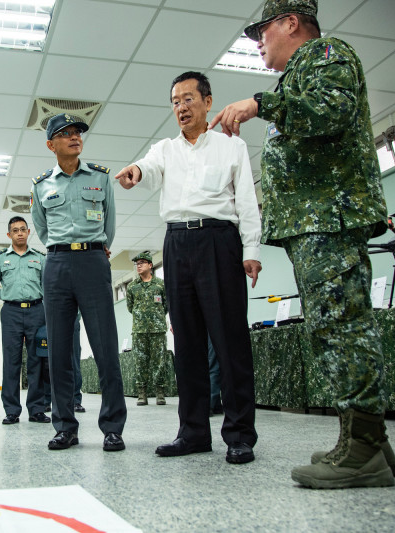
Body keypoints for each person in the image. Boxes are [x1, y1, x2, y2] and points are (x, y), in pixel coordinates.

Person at [209, 0, 395, 488]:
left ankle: (364, 450)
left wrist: (260, 104)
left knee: (340, 328)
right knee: (333, 329)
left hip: (329, 220)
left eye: (262, 31)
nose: (259, 42)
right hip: (315, 223)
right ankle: (366, 439)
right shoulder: (297, 74)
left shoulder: (327, 53)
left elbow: (331, 112)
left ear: (291, 23)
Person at [114, 71, 262, 464]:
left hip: (219, 242)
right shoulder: (165, 149)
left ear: (208, 101)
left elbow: (246, 200)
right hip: (176, 245)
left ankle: (239, 434)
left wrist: (252, 248)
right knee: (188, 345)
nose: (181, 106)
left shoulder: (232, 147)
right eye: (175, 101)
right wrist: (135, 172)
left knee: (230, 342)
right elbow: (146, 167)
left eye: (188, 98)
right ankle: (194, 431)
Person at [31, 113, 127, 452]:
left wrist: (94, 250)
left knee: (105, 349)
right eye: (66, 133)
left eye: (78, 133)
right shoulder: (41, 184)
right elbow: (41, 229)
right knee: (58, 352)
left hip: (92, 262)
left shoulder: (100, 179)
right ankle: (65, 427)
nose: (75, 137)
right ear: (51, 144)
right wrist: (61, 251)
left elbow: (110, 224)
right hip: (56, 264)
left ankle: (113, 427)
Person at [0, 216, 49, 425]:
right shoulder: (1, 259)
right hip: (11, 313)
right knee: (11, 362)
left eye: (23, 229)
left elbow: (48, 287)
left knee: (36, 362)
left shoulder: (40, 259)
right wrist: (7, 296)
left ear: (28, 232)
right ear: (9, 235)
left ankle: (37, 409)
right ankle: (11, 411)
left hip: (37, 312)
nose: (19, 233)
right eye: (15, 230)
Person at [125, 251, 168, 406]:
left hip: (158, 330)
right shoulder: (132, 286)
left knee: (159, 362)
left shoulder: (160, 284)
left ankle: (160, 393)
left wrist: (156, 318)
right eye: (137, 263)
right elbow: (130, 307)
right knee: (140, 362)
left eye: (142, 262)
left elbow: (166, 305)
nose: (139, 265)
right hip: (139, 330)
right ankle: (142, 394)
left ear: (150, 265)